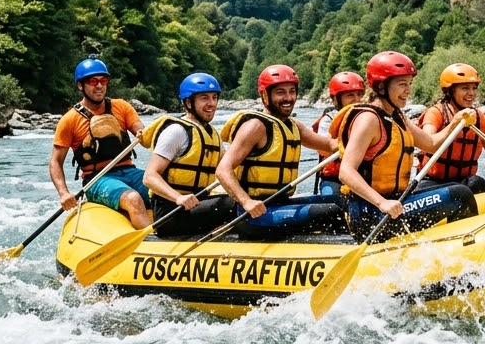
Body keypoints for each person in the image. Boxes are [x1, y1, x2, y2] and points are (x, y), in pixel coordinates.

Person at [333, 51, 480, 243]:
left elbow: (431, 144)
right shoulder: (368, 119)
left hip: (395, 202)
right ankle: (465, 248)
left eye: (410, 84)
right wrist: (382, 203)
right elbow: (346, 172)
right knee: (460, 195)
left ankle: (452, 245)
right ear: (381, 86)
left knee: (462, 186)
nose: (409, 91)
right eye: (402, 84)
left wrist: (455, 123)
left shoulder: (396, 116)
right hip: (372, 213)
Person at [216, 64, 345, 239]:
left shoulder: (293, 126)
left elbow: (330, 145)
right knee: (331, 212)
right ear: (264, 95)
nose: (288, 98)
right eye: (280, 92)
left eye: (292, 91)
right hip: (255, 215)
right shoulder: (255, 126)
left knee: (342, 201)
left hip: (281, 203)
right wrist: (246, 202)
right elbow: (223, 170)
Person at [50, 56, 150, 230]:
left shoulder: (122, 107)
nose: (99, 85)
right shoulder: (69, 120)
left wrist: (145, 134)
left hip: (129, 171)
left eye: (103, 80)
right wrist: (64, 193)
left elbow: (144, 136)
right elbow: (55, 162)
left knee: (166, 188)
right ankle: (152, 241)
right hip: (96, 179)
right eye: (92, 81)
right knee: (133, 199)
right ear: (80, 85)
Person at [140, 72, 235, 238]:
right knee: (232, 204)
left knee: (242, 197)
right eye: (204, 98)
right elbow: (149, 177)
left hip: (197, 206)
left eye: (214, 97)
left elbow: (225, 171)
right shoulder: (176, 131)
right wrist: (178, 198)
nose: (212, 103)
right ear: (189, 102)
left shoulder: (213, 135)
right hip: (171, 213)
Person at [415, 63, 485, 195]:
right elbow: (428, 142)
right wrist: (454, 124)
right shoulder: (436, 112)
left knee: (477, 183)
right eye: (465, 88)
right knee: (461, 190)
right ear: (450, 91)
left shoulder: (479, 118)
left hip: (462, 182)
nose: (471, 93)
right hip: (432, 182)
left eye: (474, 88)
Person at [311, 71, 365, 197]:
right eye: (350, 95)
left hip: (361, 176)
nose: (356, 100)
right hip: (334, 179)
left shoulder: (367, 118)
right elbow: (323, 148)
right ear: (336, 99)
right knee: (331, 199)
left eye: (359, 94)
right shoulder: (328, 120)